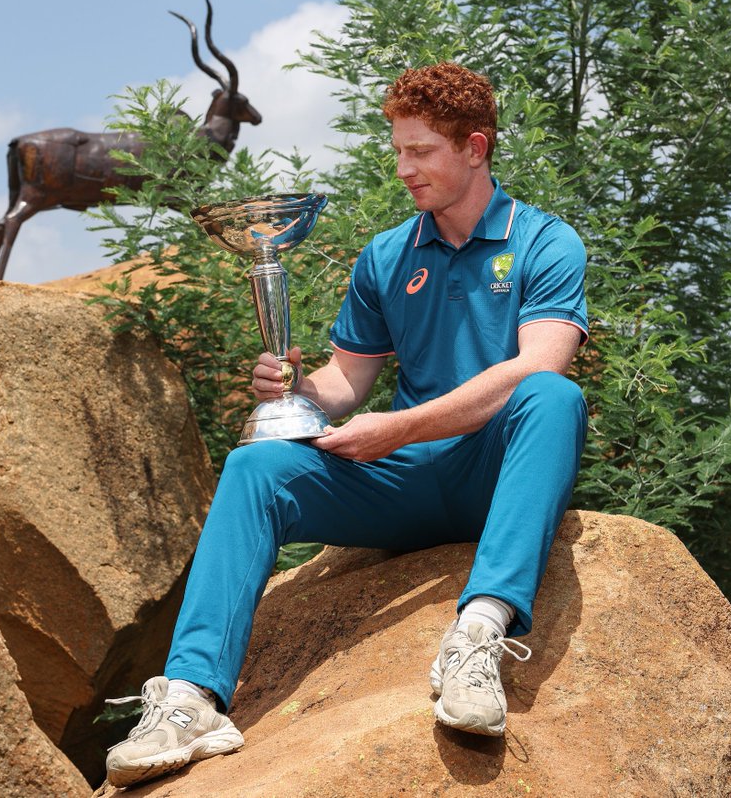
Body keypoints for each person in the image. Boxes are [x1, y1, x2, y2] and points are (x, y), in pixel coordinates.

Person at [104, 61, 588, 789]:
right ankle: (190, 699)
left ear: (475, 147)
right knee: (255, 468)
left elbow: (537, 365)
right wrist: (291, 387)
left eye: (421, 151)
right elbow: (344, 383)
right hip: (403, 486)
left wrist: (398, 428)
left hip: (493, 470)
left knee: (553, 398)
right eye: (397, 150)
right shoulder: (388, 256)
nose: (404, 168)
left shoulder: (547, 243)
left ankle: (478, 640)